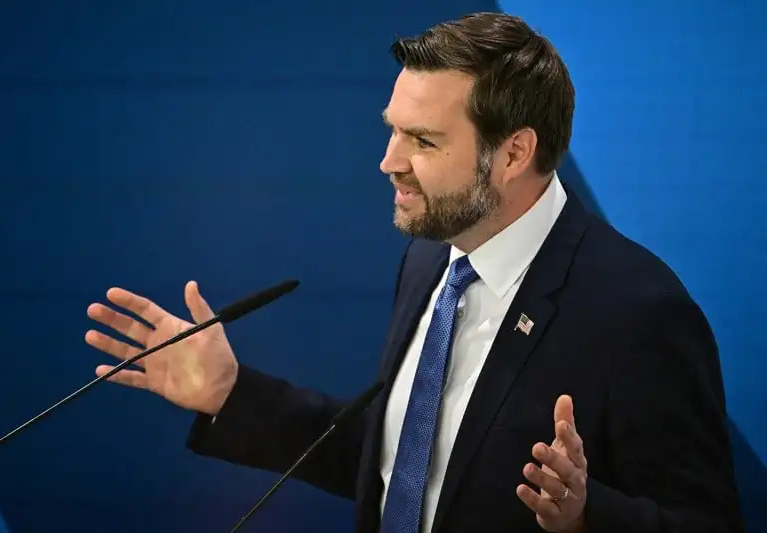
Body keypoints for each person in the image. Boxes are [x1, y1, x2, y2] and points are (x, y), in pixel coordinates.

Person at [84, 12, 743, 533]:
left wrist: (584, 515)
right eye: (392, 130)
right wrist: (233, 393)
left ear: (513, 153)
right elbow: (403, 463)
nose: (388, 162)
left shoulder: (639, 312)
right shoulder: (433, 256)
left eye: (423, 141)